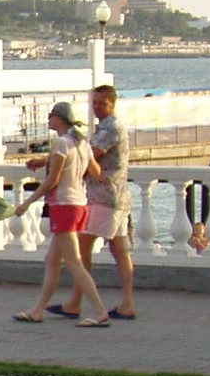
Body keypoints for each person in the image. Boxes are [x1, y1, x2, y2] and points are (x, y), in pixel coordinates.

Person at [17, 104, 110, 327]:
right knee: (52, 260)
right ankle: (37, 310)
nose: (48, 119)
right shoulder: (81, 143)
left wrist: (28, 202)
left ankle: (99, 311)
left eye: (51, 116)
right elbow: (96, 173)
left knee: (74, 262)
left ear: (59, 119)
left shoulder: (60, 143)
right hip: (79, 204)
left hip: (63, 205)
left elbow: (53, 180)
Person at [72, 84, 137, 319]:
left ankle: (77, 301)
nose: (97, 107)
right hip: (115, 197)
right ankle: (127, 303)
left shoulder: (111, 128)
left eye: (102, 103)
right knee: (119, 249)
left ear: (113, 104)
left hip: (106, 197)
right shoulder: (106, 127)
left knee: (82, 247)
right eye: (94, 103)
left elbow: (90, 155)